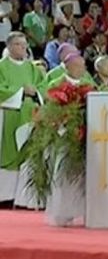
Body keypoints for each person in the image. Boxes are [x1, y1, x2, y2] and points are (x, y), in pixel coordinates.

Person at [0, 32, 43, 203]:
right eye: (19, 45)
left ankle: (23, 199)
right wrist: (20, 91)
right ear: (9, 46)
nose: (23, 49)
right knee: (8, 153)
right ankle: (5, 197)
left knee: (27, 154)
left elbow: (42, 85)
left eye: (25, 45)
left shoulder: (32, 67)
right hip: (8, 113)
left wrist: (36, 92)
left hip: (30, 114)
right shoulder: (1, 67)